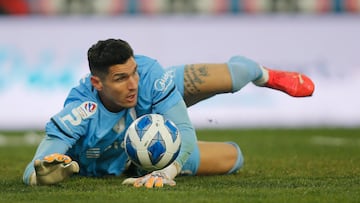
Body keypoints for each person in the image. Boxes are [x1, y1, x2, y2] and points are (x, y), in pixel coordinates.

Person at [22, 38, 314, 188]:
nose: (132, 83)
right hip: (129, 164)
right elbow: (35, 168)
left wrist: (167, 171)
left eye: (133, 72)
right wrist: (42, 177)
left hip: (155, 100)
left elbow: (184, 131)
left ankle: (263, 73)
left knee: (235, 77)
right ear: (97, 83)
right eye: (121, 78)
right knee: (233, 157)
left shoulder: (148, 77)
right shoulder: (79, 111)